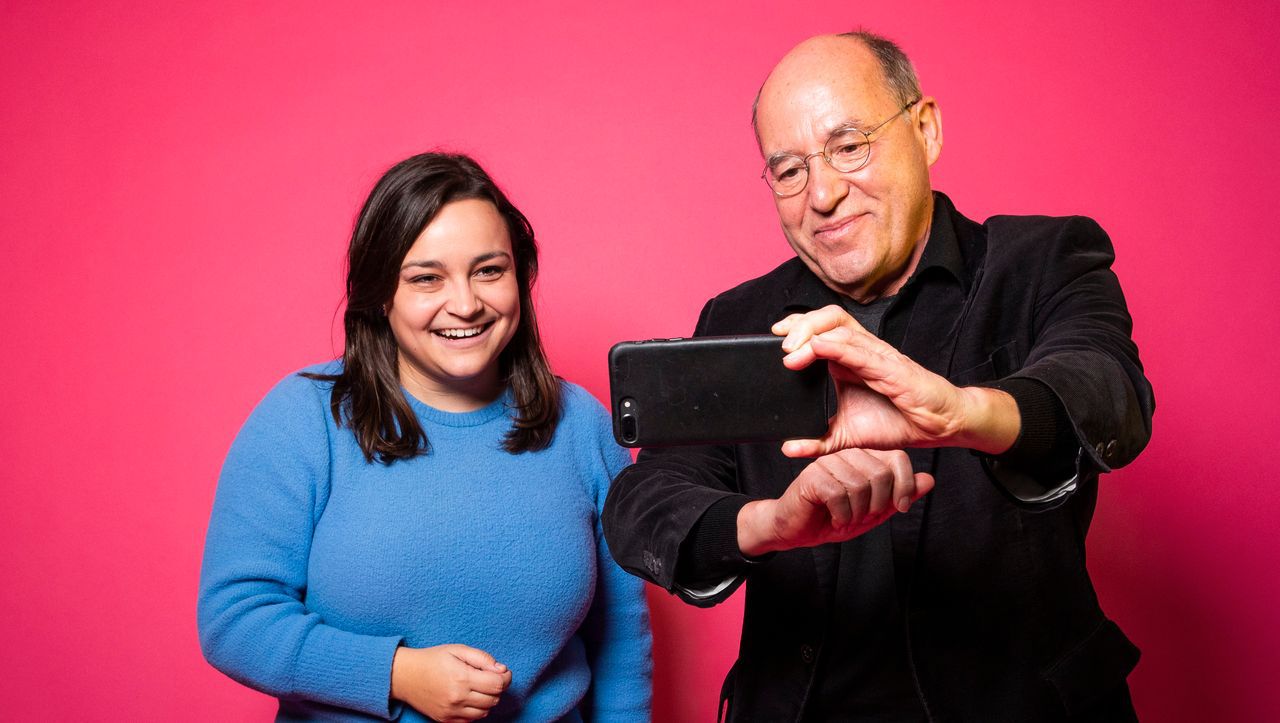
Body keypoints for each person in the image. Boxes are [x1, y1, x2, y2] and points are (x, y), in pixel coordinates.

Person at [602, 31, 1154, 722]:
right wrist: (771, 521)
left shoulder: (1043, 262)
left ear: (925, 129)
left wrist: (957, 413)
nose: (824, 193)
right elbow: (643, 502)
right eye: (789, 170)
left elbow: (1106, 394)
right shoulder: (739, 317)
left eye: (849, 144)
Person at [198, 152, 652, 722]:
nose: (464, 304)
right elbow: (235, 619)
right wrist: (397, 674)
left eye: (489, 270)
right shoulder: (303, 419)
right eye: (425, 278)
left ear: (521, 276)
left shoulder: (582, 425)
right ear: (381, 293)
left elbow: (621, 641)